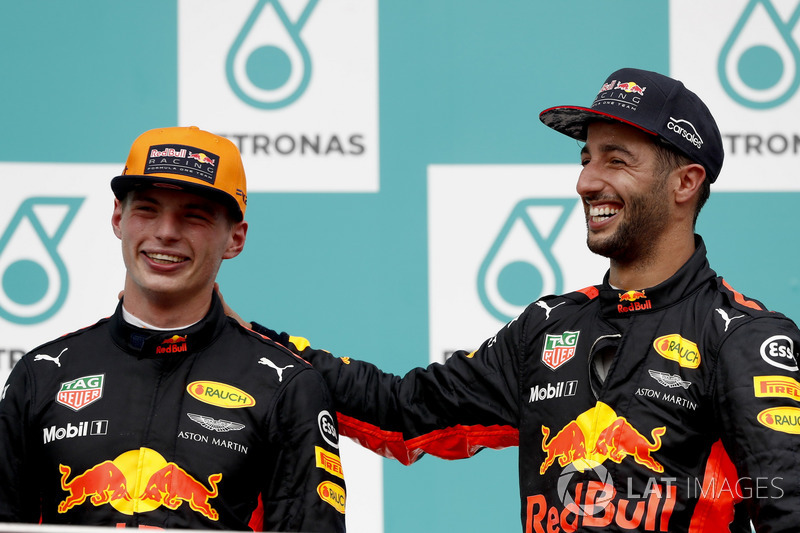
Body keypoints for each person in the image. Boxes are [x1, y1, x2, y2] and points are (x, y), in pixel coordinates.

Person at [240, 69, 800, 531]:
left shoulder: (742, 338)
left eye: (616, 159)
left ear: (686, 183)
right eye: (586, 158)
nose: (586, 181)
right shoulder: (546, 327)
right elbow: (402, 411)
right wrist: (256, 345)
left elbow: (786, 505)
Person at [0, 126, 346, 531]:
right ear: (118, 217)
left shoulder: (287, 385)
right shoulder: (43, 372)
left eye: (193, 215)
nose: (165, 231)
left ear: (235, 238)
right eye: (147, 209)